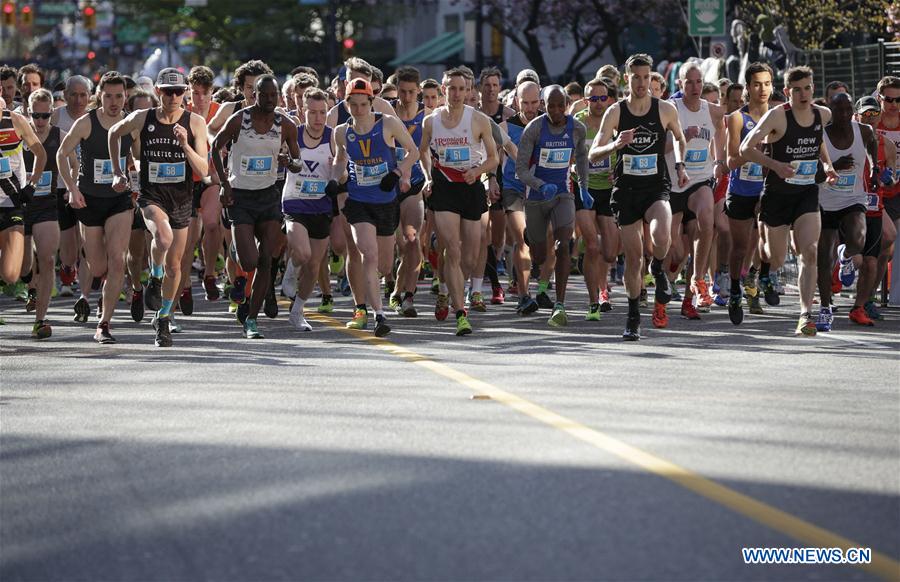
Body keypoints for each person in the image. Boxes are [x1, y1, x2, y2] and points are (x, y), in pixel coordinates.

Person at [108, 68, 210, 347]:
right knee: (162, 237)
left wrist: (184, 145)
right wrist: (118, 172)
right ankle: (153, 276)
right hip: (151, 196)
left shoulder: (195, 123)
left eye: (178, 92)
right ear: (158, 92)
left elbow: (203, 168)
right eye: (168, 91)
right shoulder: (143, 118)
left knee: (175, 267)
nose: (173, 97)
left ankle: (163, 318)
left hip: (182, 198)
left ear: (185, 93)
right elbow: (114, 133)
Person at [589, 53, 688, 339]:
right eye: (636, 78)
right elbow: (594, 151)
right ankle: (633, 316)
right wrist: (615, 145)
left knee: (661, 236)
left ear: (651, 78)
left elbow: (680, 139)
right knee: (633, 258)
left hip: (656, 188)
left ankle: (658, 267)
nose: (642, 83)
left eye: (646, 77)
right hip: (626, 191)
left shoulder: (666, 110)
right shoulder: (616, 112)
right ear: (626, 79)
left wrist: (680, 165)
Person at [740, 65, 839, 336]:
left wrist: (827, 165)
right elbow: (745, 148)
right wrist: (776, 165)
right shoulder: (777, 117)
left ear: (813, 89)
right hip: (777, 196)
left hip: (806, 193)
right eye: (797, 90)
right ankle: (758, 262)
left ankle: (805, 315)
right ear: (787, 92)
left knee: (810, 251)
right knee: (777, 257)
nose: (803, 94)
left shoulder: (824, 114)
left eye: (807, 88)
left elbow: (817, 141)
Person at [331, 78, 420, 336]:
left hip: (385, 200)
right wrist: (336, 180)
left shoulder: (388, 124)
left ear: (372, 102)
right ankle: (377, 315)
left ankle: (376, 299)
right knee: (367, 255)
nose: (359, 110)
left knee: (383, 265)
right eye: (354, 105)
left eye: (363, 104)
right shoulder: (341, 132)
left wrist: (397, 171)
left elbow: (412, 152)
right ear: (347, 105)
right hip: (358, 202)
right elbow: (339, 161)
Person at [419, 67, 499, 336]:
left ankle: (446, 288)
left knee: (469, 255)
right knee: (451, 249)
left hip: (471, 187)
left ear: (468, 91)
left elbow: (493, 158)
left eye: (461, 89)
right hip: (444, 188)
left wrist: (477, 171)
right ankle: (460, 311)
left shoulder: (478, 120)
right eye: (451, 88)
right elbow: (423, 154)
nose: (456, 93)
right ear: (444, 90)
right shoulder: (431, 121)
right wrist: (428, 177)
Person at [56, 71, 132, 343]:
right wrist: (72, 189)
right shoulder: (87, 122)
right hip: (88, 199)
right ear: (100, 96)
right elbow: (61, 154)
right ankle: (102, 293)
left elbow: (140, 156)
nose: (114, 102)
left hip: (119, 201)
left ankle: (104, 323)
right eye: (109, 96)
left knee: (117, 259)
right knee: (98, 267)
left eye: (119, 96)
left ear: (126, 97)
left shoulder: (130, 122)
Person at [515, 84, 591, 326]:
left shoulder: (576, 128)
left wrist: (583, 188)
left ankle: (559, 304)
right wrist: (538, 184)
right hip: (536, 197)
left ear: (567, 105)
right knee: (538, 256)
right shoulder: (534, 129)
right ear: (543, 105)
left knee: (563, 245)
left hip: (562, 194)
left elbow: (581, 159)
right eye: (551, 106)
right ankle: (532, 237)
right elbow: (520, 170)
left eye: (561, 105)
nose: (556, 111)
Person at [815, 92, 879, 331]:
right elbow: (812, 175)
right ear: (831, 112)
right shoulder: (821, 136)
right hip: (825, 201)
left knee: (858, 238)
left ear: (852, 110)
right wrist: (835, 167)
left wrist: (874, 167)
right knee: (824, 259)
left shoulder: (863, 131)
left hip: (853, 198)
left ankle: (846, 256)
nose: (843, 114)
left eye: (846, 109)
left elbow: (872, 146)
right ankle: (824, 308)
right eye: (838, 110)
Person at [282, 88, 335, 331]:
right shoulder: (294, 134)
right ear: (303, 112)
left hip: (321, 205)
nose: (318, 118)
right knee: (302, 254)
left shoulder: (334, 137)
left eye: (322, 112)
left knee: (314, 265)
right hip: (295, 202)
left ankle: (297, 310)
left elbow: (343, 170)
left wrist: (339, 170)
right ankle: (290, 274)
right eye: (312, 113)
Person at [22, 89, 73, 338]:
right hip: (19, 206)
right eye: (36, 116)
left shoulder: (59, 136)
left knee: (49, 260)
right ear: (28, 113)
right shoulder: (17, 137)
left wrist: (69, 188)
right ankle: (28, 283)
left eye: (45, 115)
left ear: (52, 114)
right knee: (22, 267)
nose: (40, 121)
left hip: (46, 205)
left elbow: (74, 164)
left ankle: (40, 321)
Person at [724, 62, 772, 325]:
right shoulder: (737, 118)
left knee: (768, 245)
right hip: (741, 190)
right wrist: (752, 151)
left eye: (766, 84)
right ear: (748, 87)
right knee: (741, 247)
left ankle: (758, 275)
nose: (762, 89)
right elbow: (730, 160)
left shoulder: (778, 117)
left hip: (768, 191)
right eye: (757, 84)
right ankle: (734, 289)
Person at [573, 77, 618, 318]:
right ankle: (594, 301)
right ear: (585, 100)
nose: (598, 103)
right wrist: (573, 168)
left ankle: (602, 284)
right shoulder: (578, 124)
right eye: (593, 98)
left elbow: (626, 150)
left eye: (602, 98)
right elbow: (569, 154)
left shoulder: (614, 122)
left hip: (609, 189)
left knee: (609, 252)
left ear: (608, 99)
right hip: (584, 189)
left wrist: (617, 169)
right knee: (592, 245)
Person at [389, 66, 430, 316]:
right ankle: (395, 289)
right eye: (402, 92)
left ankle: (409, 297)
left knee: (413, 241)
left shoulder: (427, 118)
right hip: (389, 187)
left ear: (419, 92)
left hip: (414, 186)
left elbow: (426, 153)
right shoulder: (388, 114)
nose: (406, 98)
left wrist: (429, 178)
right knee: (399, 247)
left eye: (411, 93)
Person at [51, 75, 92, 298]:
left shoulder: (94, 117)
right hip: (61, 185)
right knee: (68, 241)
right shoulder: (57, 116)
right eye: (73, 95)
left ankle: (84, 289)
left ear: (90, 96)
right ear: (65, 96)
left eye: (83, 95)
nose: (78, 100)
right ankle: (67, 271)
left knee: (86, 238)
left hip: (88, 185)